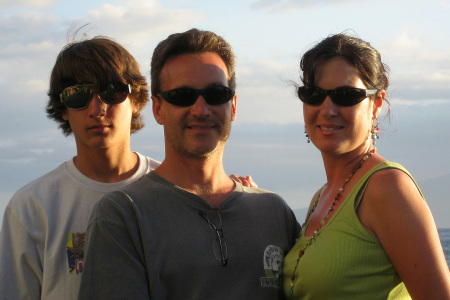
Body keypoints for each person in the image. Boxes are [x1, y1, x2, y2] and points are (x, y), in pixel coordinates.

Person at [78, 28, 300, 300]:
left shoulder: (274, 212)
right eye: (183, 96)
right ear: (158, 108)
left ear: (233, 105)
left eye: (216, 94)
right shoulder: (123, 215)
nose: (201, 109)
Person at [282, 33, 450, 299]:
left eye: (346, 95)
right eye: (314, 94)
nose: (327, 109)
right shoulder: (321, 197)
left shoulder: (387, 188)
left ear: (376, 104)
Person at [0, 36, 161, 300]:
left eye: (113, 91)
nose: (98, 109)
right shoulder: (31, 207)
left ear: (136, 100)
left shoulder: (176, 192)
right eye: (78, 95)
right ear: (63, 109)